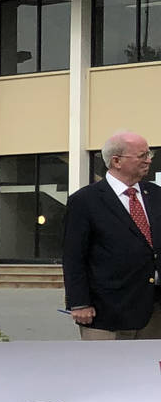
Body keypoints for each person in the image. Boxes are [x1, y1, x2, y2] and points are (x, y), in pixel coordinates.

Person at [63, 130, 161, 339]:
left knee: (149, 370)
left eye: (149, 154)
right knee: (105, 370)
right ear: (116, 161)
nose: (149, 160)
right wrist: (79, 303)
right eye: (142, 155)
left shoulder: (155, 195)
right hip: (106, 313)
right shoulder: (85, 201)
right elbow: (74, 257)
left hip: (154, 311)